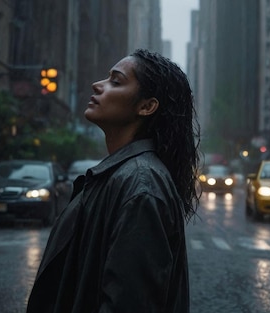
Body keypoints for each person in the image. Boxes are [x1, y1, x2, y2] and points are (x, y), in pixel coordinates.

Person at [26, 49, 200, 313]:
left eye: (115, 81)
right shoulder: (124, 176)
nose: (97, 85)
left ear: (146, 106)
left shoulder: (141, 185)